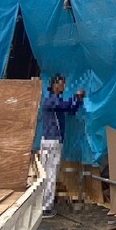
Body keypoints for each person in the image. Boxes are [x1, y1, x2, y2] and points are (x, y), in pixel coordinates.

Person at [40, 74, 85, 217]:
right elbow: (67, 107)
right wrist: (77, 97)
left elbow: (70, 109)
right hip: (52, 141)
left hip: (49, 140)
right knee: (50, 173)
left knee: (46, 173)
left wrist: (77, 100)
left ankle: (42, 205)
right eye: (62, 84)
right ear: (55, 85)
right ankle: (45, 207)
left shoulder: (53, 100)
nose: (63, 87)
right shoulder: (52, 100)